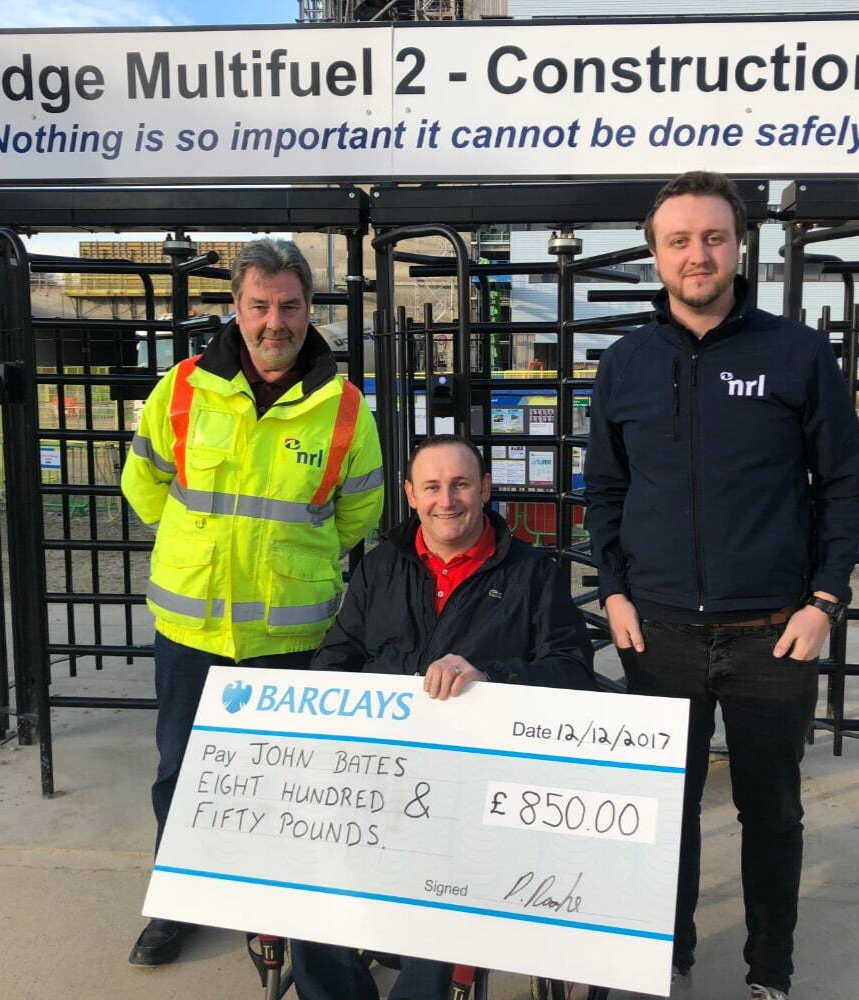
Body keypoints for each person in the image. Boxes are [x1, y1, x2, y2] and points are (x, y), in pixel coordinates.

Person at [583, 172, 859, 1000]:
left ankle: (766, 971)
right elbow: (604, 489)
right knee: (659, 815)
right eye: (678, 240)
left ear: (738, 244)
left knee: (771, 815)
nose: (696, 254)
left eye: (712, 236)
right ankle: (663, 953)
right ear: (655, 254)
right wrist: (613, 592)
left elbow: (843, 483)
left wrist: (824, 602)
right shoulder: (626, 364)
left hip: (772, 635)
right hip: (659, 637)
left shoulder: (795, 353)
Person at [122, 238, 383, 967]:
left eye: (290, 306)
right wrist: (198, 545)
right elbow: (144, 487)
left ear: (309, 310)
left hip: (292, 636)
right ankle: (177, 903)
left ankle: (275, 908)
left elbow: (360, 513)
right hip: (191, 627)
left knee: (288, 780)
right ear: (235, 308)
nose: (276, 321)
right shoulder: (179, 390)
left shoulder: (344, 410)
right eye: (260, 305)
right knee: (180, 772)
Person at [292, 434, 595, 1000]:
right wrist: (401, 677)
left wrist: (493, 679)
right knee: (310, 885)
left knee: (439, 899)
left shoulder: (534, 574)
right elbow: (335, 660)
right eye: (431, 487)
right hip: (379, 777)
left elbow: (572, 669)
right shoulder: (380, 568)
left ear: (485, 488)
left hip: (480, 790)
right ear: (410, 495)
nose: (446, 500)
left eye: (460, 484)